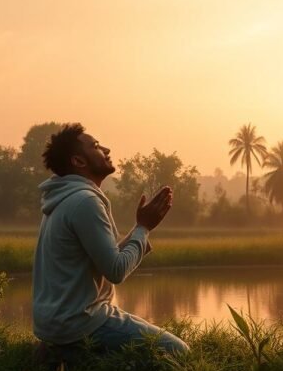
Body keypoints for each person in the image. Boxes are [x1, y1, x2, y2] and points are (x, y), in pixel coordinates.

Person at [31, 123, 189, 356]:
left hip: (55, 324)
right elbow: (115, 270)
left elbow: (106, 257)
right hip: (80, 323)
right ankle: (70, 353)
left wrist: (140, 229)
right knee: (179, 351)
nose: (106, 149)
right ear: (79, 161)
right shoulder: (85, 201)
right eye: (95, 146)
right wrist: (144, 228)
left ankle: (60, 350)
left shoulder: (64, 198)